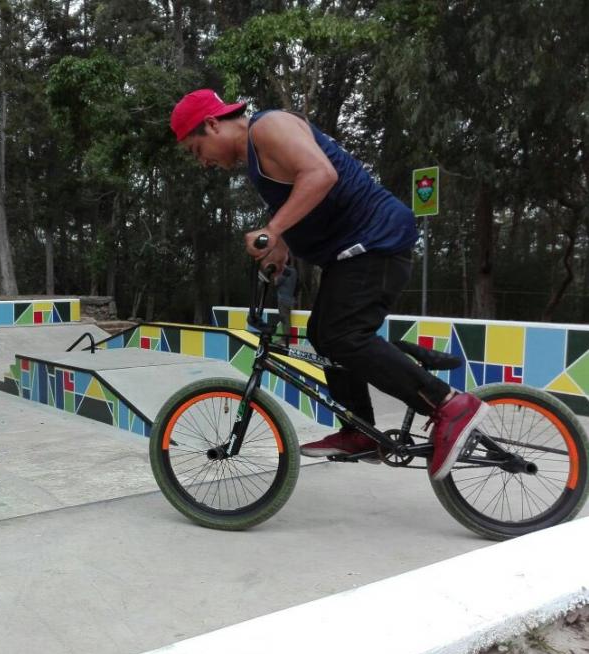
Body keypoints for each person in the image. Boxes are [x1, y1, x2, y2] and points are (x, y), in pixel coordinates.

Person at [170, 89, 489, 480]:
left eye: (195, 148)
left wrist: (271, 229)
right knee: (323, 335)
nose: (201, 161)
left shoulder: (268, 127)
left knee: (343, 334)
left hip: (376, 242)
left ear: (213, 123)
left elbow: (321, 174)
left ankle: (449, 405)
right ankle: (361, 431)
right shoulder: (258, 157)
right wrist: (280, 246)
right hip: (353, 254)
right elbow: (300, 199)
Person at [273, 259, 298, 347]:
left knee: (285, 320)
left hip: (283, 299)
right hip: (291, 299)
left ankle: (285, 340)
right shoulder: (294, 271)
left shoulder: (285, 271)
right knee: (287, 320)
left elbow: (276, 282)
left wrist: (276, 275)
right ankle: (287, 338)